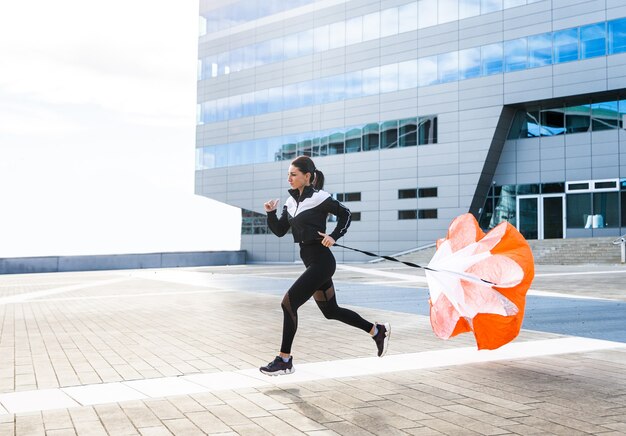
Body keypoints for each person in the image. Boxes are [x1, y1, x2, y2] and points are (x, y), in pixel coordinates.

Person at [259, 155, 390, 376]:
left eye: (294, 174)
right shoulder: (290, 203)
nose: (289, 178)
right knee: (331, 311)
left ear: (307, 176)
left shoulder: (320, 198)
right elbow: (280, 231)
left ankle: (284, 359)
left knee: (288, 304)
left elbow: (346, 214)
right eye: (288, 174)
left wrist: (334, 236)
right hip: (311, 262)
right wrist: (271, 213)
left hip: (322, 262)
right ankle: (377, 331)